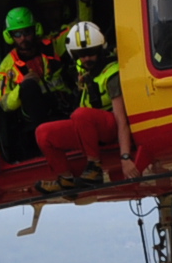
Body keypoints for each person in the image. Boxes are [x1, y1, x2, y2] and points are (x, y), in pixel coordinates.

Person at [33, 21, 145, 189]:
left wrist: (125, 157)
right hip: (89, 130)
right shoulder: (83, 72)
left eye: (90, 53)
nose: (86, 58)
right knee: (43, 133)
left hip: (110, 129)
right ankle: (65, 179)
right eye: (81, 54)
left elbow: (122, 121)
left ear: (100, 50)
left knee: (81, 114)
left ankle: (94, 168)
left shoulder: (111, 74)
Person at [0, 7, 70, 157]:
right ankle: (47, 143)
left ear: (35, 30)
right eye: (17, 34)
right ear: (10, 36)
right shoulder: (6, 67)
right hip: (35, 116)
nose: (23, 38)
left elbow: (79, 30)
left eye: (27, 32)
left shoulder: (51, 46)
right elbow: (5, 104)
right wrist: (21, 87)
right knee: (28, 88)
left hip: (63, 105)